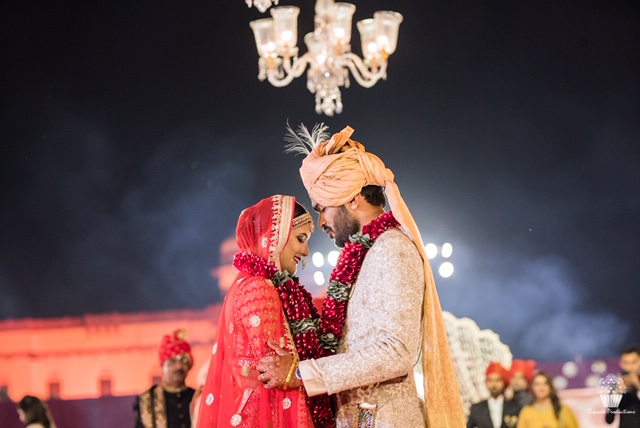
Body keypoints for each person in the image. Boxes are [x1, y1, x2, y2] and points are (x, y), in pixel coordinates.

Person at [258, 124, 465, 427]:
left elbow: (396, 351)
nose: (321, 221)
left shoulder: (393, 248)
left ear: (353, 199)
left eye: (323, 208)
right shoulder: (367, 254)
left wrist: (302, 372)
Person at [196, 195, 332, 428]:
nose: (306, 251)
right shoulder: (260, 288)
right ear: (277, 237)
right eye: (301, 239)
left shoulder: (244, 285)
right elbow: (281, 378)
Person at [134, 329, 196, 428]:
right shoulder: (147, 400)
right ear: (163, 366)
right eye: (172, 361)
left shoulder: (198, 397)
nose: (179, 367)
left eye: (184, 360)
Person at [467, 362, 520, 428]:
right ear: (485, 383)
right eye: (490, 380)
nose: (494, 384)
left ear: (503, 382)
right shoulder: (477, 409)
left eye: (497, 380)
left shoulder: (515, 406)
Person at [605, 345, 640, 427]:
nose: (630, 367)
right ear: (621, 364)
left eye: (634, 362)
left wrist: (638, 385)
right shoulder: (617, 386)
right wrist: (616, 394)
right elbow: (609, 419)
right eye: (626, 363)